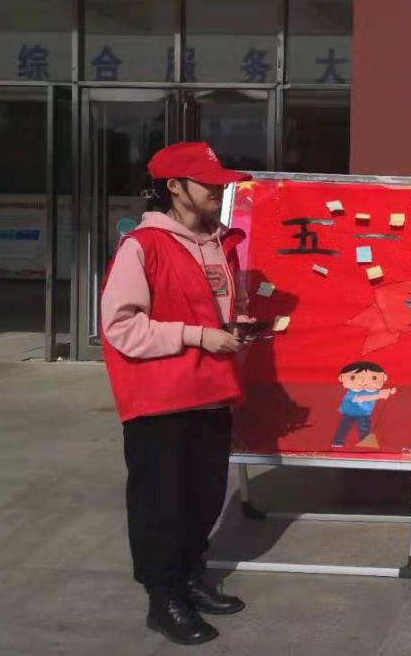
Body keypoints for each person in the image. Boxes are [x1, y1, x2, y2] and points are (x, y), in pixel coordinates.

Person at [101, 142, 253, 646]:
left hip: (211, 389)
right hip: (160, 397)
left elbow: (216, 305)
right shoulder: (142, 245)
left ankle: (190, 577)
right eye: (207, 182)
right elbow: (121, 327)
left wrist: (233, 324)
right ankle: (163, 598)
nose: (218, 190)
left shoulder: (218, 242)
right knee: (160, 503)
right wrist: (198, 335)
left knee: (204, 496)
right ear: (174, 187)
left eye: (220, 182)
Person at [331, 360, 397, 448]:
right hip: (349, 413)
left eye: (374, 377)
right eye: (353, 377)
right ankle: (337, 441)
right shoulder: (353, 392)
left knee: (364, 428)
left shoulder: (373, 390)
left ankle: (365, 443)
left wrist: (389, 391)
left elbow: (381, 393)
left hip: (364, 413)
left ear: (384, 378)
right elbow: (361, 398)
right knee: (344, 427)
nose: (363, 381)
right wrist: (379, 396)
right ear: (341, 378)